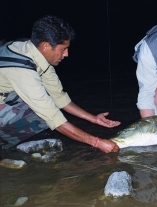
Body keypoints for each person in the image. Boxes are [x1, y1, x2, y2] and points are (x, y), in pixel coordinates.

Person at [0, 15, 120, 153]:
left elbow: (59, 98)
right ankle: (5, 146)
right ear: (46, 46)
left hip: (6, 98)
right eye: (63, 49)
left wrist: (94, 119)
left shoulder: (36, 53)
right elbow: (53, 117)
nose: (66, 54)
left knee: (48, 107)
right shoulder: (22, 69)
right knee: (46, 115)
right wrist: (97, 142)